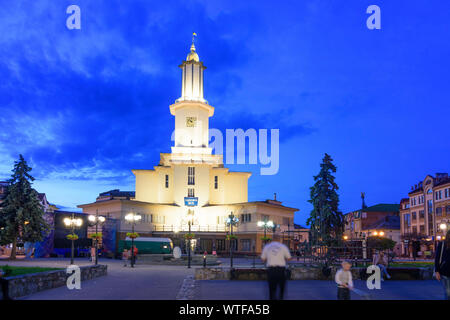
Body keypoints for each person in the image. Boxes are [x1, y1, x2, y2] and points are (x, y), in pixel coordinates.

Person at [435, 230, 450, 300]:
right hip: (445, 272)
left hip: (445, 271)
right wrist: (437, 271)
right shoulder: (442, 244)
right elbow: (437, 258)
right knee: (448, 292)